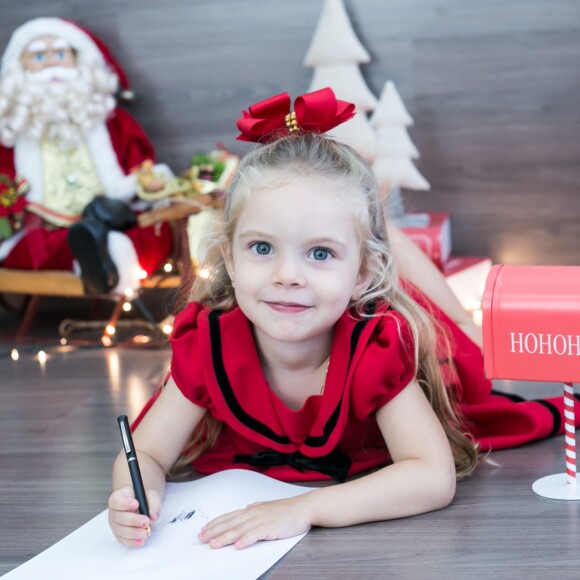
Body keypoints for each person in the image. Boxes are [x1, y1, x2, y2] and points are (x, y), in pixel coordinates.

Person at [108, 88, 580, 550]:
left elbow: (432, 477)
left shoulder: (374, 348)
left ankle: (463, 326)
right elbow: (145, 453)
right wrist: (135, 495)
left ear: (361, 274)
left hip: (410, 337)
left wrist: (306, 509)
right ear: (229, 260)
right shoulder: (207, 343)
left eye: (318, 252)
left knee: (465, 359)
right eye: (261, 248)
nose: (286, 276)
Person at [0, 17, 172, 294]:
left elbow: (141, 164)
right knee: (35, 248)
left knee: (155, 232)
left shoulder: (112, 121)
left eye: (60, 54)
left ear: (79, 60)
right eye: (39, 56)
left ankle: (106, 254)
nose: (51, 65)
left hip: (114, 215)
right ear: (19, 67)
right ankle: (94, 256)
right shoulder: (11, 130)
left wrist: (148, 181)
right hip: (46, 227)